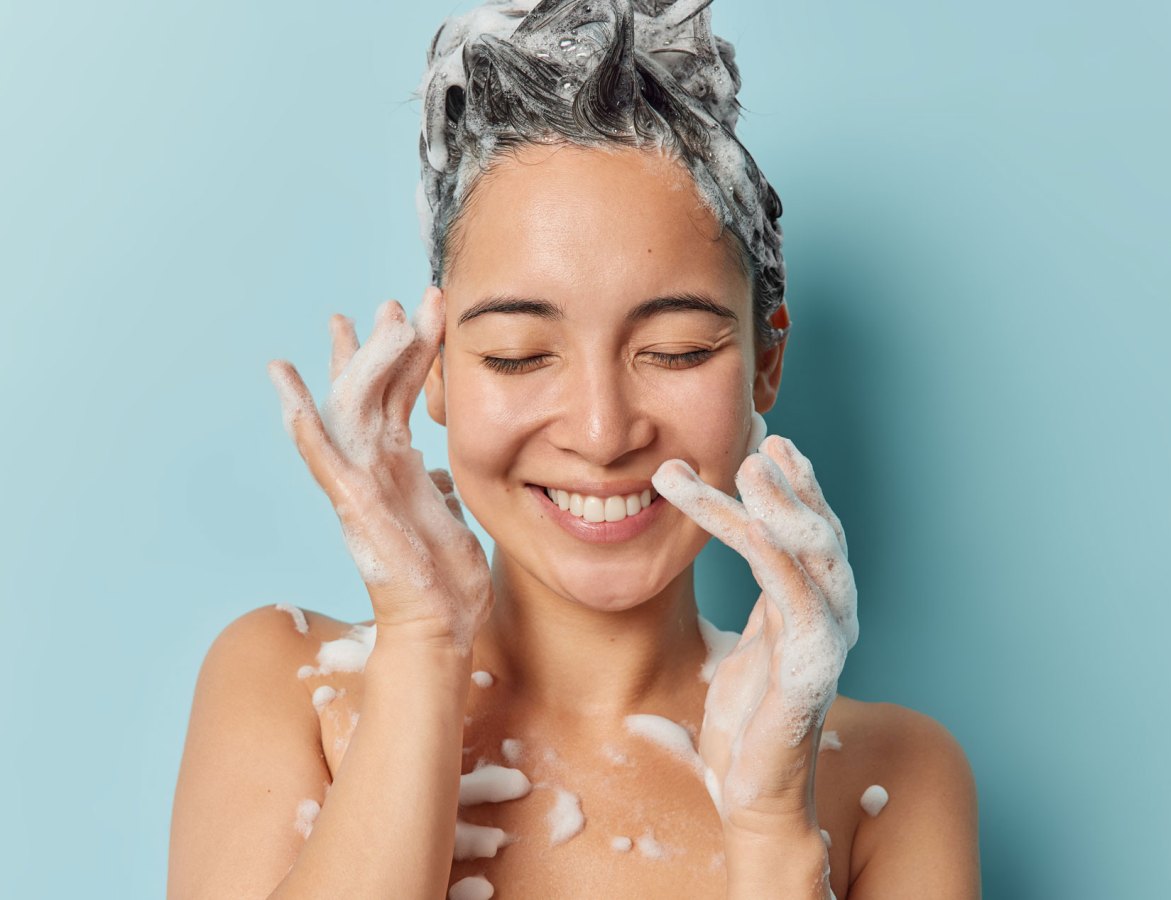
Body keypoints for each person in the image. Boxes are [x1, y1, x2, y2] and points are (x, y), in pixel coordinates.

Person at [168, 1, 981, 897]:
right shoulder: (290, 690)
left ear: (766, 363)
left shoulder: (890, 779)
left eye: (675, 351)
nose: (601, 433)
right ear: (433, 369)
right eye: (519, 355)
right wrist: (422, 648)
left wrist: (767, 827)